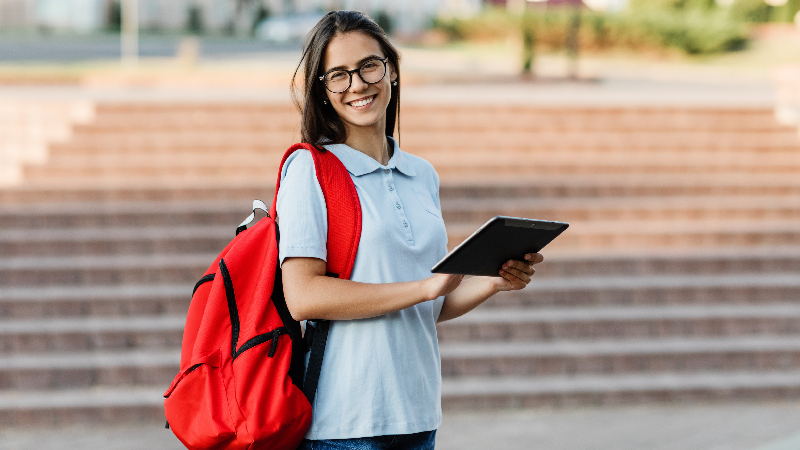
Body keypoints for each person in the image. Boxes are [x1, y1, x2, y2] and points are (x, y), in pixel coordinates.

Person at [277, 10, 544, 450]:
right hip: (345, 424)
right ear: (322, 92)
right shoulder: (310, 169)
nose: (358, 84)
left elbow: (427, 306)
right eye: (338, 76)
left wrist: (492, 282)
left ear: (392, 70)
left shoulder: (421, 174)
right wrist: (422, 288)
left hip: (417, 415)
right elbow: (304, 296)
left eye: (368, 66)